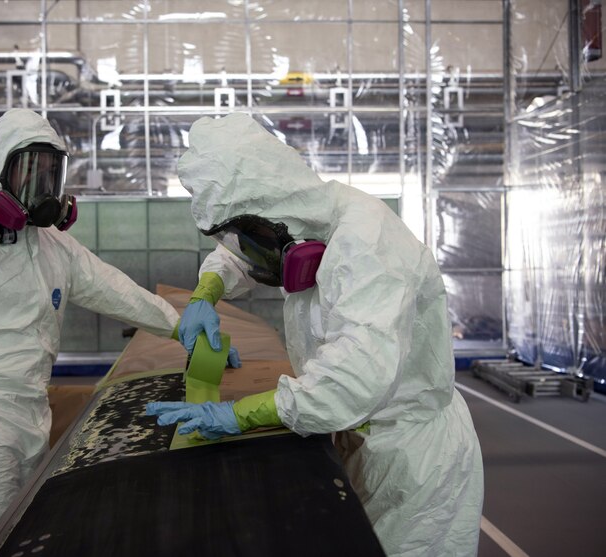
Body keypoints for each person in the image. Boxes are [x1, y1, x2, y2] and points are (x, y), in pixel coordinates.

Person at [147, 112, 484, 556]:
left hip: (414, 462)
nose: (245, 253)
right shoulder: (298, 217)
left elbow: (352, 380)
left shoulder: (369, 245)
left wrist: (237, 415)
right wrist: (204, 295)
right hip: (356, 437)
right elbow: (238, 255)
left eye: (245, 235)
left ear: (275, 208)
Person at [0, 108, 181, 557]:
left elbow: (115, 291)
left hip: (33, 418)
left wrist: (181, 326)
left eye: (51, 178)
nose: (43, 192)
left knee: (26, 542)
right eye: (31, 175)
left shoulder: (51, 246)